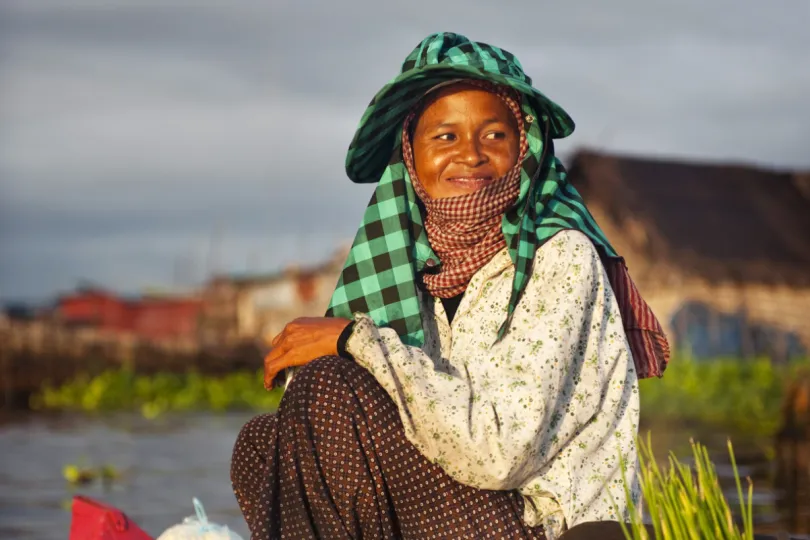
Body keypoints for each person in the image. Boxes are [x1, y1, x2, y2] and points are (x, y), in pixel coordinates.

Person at [231, 32, 670, 540]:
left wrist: (357, 341)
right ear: (411, 156)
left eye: (494, 135)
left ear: (524, 147)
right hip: (456, 506)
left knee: (330, 386)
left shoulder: (560, 255)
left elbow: (503, 453)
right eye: (445, 137)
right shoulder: (406, 271)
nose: (471, 155)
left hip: (543, 522)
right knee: (264, 444)